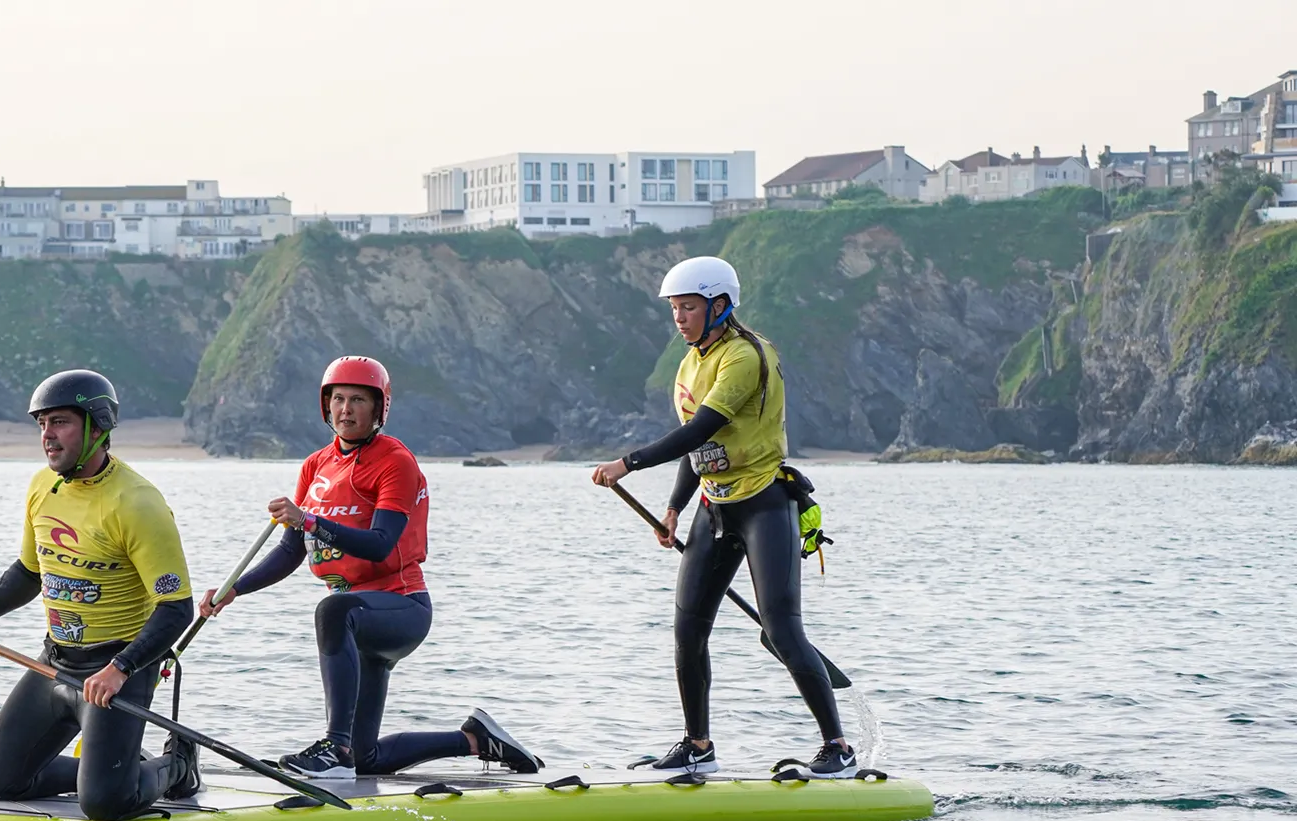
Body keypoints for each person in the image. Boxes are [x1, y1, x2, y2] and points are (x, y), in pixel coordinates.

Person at [197, 355, 542, 780]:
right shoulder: (315, 465)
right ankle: (477, 740)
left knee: (332, 611)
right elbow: (291, 551)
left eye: (358, 400)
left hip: (401, 609)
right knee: (369, 759)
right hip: (356, 621)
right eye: (338, 399)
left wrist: (309, 520)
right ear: (326, 407)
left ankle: (334, 747)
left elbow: (381, 546)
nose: (346, 409)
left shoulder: (395, 461)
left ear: (379, 409)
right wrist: (235, 588)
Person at [590, 256, 855, 777]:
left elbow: (698, 428)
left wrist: (629, 463)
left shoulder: (745, 357)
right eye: (674, 309)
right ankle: (698, 745)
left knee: (781, 630)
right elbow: (701, 447)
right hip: (715, 507)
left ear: (719, 305)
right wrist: (673, 508)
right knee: (688, 629)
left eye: (688, 307)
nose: (679, 318)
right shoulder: (690, 363)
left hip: (764, 503)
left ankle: (838, 749)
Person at [0, 369, 201, 820]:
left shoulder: (137, 503)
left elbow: (177, 609)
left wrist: (121, 669)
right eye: (41, 424)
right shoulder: (42, 487)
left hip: (118, 669)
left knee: (105, 804)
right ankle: (107, 766)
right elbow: (28, 572)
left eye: (59, 422)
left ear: (97, 426)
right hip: (55, 663)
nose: (47, 436)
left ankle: (176, 764)